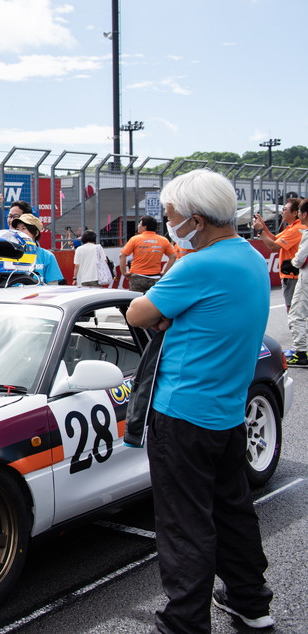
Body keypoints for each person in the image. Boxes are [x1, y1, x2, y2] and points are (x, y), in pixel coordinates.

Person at [126, 169, 274, 633]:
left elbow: (137, 312)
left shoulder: (197, 266)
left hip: (181, 413)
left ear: (196, 220)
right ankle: (251, 602)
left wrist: (167, 314)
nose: (169, 224)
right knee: (232, 510)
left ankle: (184, 623)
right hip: (226, 411)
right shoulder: (251, 257)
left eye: (171, 216)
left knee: (184, 524)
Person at [252, 197, 303, 311]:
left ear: (295, 213)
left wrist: (260, 231)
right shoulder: (292, 227)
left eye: (285, 209)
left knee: (292, 310)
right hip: (292, 273)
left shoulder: (296, 229)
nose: (282, 212)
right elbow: (275, 239)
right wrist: (263, 226)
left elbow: (273, 247)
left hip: (293, 274)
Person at [119, 215, 175, 293]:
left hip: (137, 277)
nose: (138, 226)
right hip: (155, 278)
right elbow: (173, 256)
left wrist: (124, 272)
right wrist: (164, 272)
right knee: (153, 300)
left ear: (144, 227)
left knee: (137, 299)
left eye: (139, 224)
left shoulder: (135, 239)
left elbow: (122, 255)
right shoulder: (163, 240)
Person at [283, 198, 308, 366]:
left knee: (296, 315)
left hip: (306, 279)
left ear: (304, 214)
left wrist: (292, 263)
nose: (298, 215)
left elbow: (299, 260)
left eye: (299, 211)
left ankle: (301, 353)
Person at [12, 213, 64, 284]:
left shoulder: (47, 256)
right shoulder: (9, 253)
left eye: (24, 228)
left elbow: (53, 285)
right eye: (17, 229)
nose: (19, 232)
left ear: (36, 233)